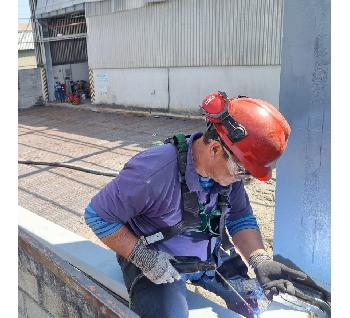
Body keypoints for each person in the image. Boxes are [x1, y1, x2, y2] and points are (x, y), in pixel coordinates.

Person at [84, 91, 307, 318]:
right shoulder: (151, 172)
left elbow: (240, 217)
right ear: (215, 149)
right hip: (157, 260)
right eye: (242, 171)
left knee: (255, 300)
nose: (243, 179)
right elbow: (97, 216)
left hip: (209, 253)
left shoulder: (229, 173)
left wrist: (259, 259)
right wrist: (145, 259)